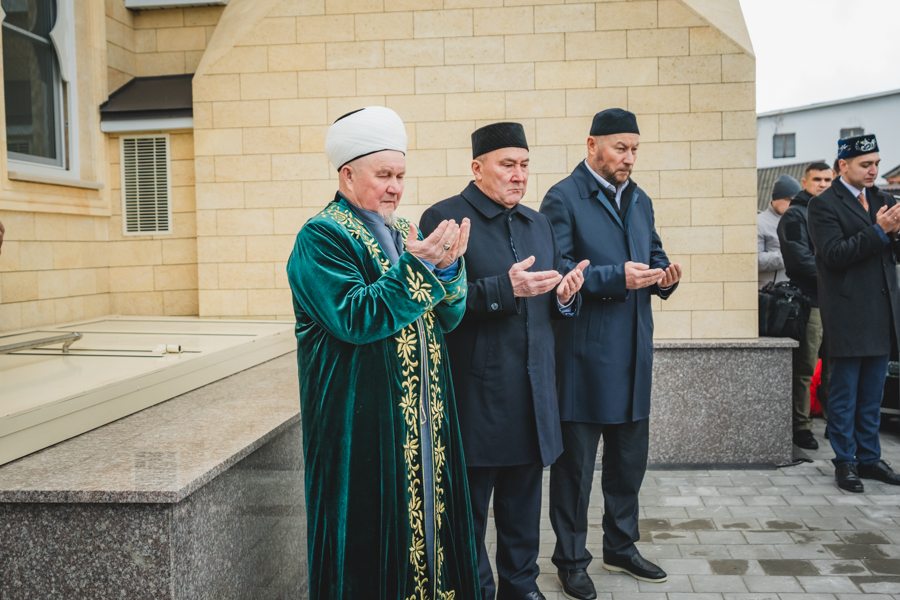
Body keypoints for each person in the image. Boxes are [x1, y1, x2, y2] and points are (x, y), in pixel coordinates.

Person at [286, 106, 482, 599]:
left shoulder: (403, 231)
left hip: (424, 424)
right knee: (371, 555)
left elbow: (447, 319)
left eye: (401, 176)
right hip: (362, 433)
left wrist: (448, 270)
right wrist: (421, 269)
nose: (396, 188)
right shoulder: (321, 237)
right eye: (385, 176)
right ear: (348, 175)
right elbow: (354, 318)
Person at [421, 122, 588, 600]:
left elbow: (547, 302)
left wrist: (564, 296)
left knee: (522, 506)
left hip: (533, 393)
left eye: (525, 165)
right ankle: (474, 590)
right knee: (469, 512)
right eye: (508, 165)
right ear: (477, 168)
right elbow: (435, 302)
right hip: (478, 394)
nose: (519, 175)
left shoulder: (538, 224)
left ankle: (521, 587)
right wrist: (504, 288)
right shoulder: (446, 217)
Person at [540, 108, 681, 600]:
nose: (629, 158)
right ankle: (571, 561)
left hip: (634, 355)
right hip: (584, 358)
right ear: (592, 145)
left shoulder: (640, 199)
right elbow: (558, 269)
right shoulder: (562, 197)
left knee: (628, 464)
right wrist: (615, 277)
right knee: (575, 473)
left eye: (635, 149)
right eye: (621, 148)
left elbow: (654, 252)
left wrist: (665, 276)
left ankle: (620, 547)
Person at [807, 133, 900, 493]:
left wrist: (894, 234)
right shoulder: (823, 205)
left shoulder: (883, 199)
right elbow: (835, 254)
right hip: (847, 311)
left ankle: (869, 457)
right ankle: (845, 461)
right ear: (843, 165)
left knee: (872, 395)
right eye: (865, 164)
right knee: (845, 394)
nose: (873, 170)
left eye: (876, 163)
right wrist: (880, 230)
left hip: (881, 309)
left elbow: (891, 251)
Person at [777, 162, 833, 450]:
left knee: (835, 369)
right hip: (811, 303)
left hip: (837, 304)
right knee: (805, 369)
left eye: (827, 179)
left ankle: (835, 424)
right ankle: (801, 427)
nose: (822, 184)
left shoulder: (833, 211)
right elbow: (799, 261)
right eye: (817, 179)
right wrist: (838, 273)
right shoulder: (795, 215)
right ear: (805, 181)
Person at [758, 174, 801, 289]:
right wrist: (789, 256)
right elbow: (755, 260)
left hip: (797, 290)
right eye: (788, 199)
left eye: (795, 200)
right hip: (769, 291)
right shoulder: (759, 223)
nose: (792, 204)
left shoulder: (800, 221)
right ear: (775, 198)